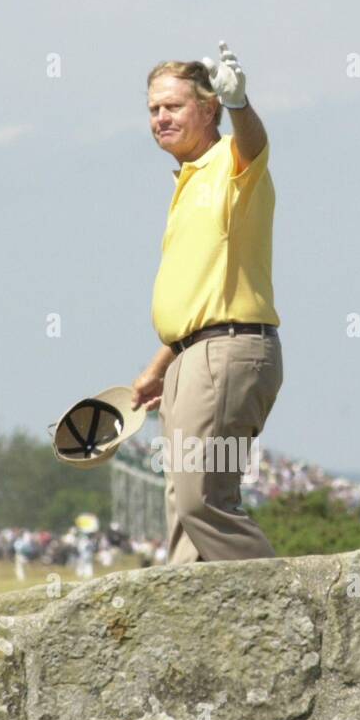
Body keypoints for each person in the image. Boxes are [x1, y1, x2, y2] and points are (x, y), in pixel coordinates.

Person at [130, 41, 283, 566]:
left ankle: (287, 610)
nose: (160, 117)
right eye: (153, 109)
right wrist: (159, 368)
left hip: (227, 355)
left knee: (203, 502)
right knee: (185, 512)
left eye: (172, 106)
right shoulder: (189, 178)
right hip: (194, 358)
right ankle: (188, 634)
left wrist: (241, 105)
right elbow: (201, 299)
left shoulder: (229, 161)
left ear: (208, 107)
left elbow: (255, 144)